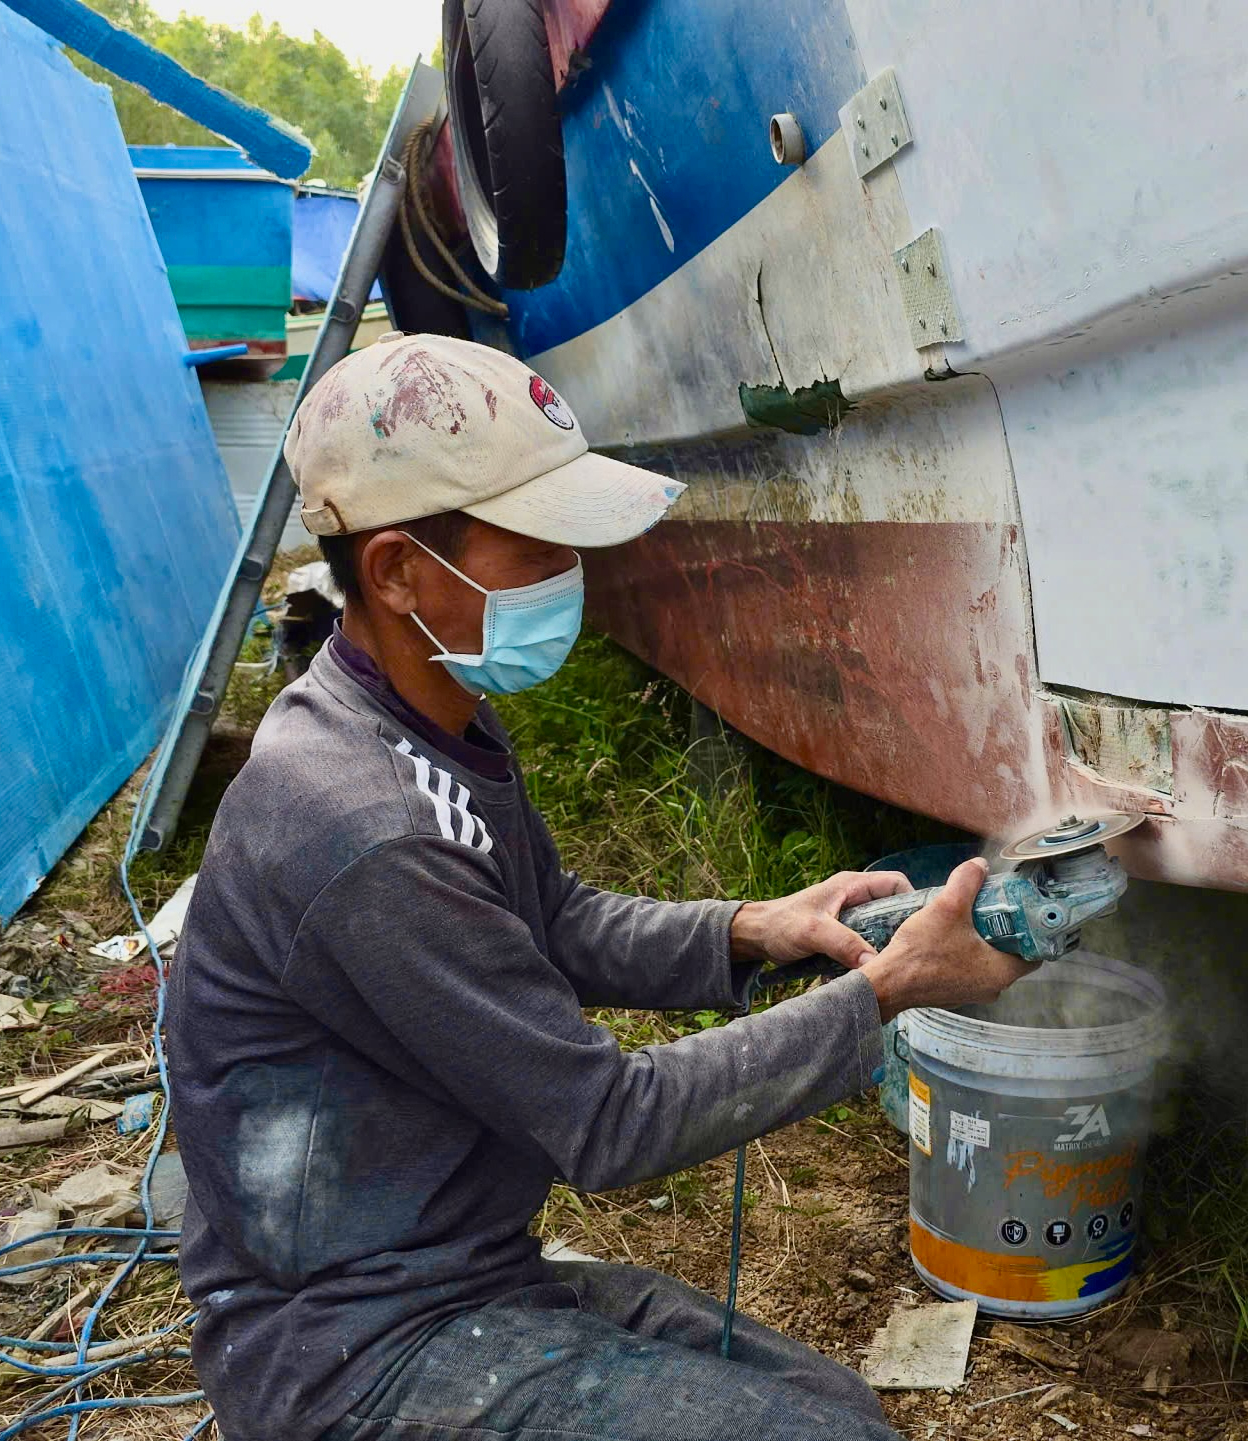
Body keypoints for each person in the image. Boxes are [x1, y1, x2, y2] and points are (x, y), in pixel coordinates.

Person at [165, 332, 1031, 1441]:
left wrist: (752, 929)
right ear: (397, 571)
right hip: (348, 1349)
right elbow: (609, 1123)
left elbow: (551, 917)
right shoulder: (361, 825)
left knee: (831, 1404)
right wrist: (886, 992)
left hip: (457, 1272)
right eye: (539, 546)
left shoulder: (420, 714)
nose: (573, 575)